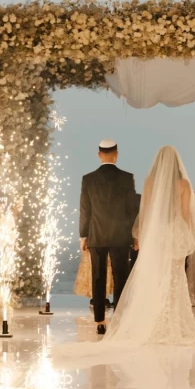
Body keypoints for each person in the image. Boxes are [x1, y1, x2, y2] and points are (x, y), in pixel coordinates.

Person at [101, 146, 195, 346]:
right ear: (177, 163)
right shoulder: (183, 184)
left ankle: (151, 321)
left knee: (155, 276)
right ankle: (172, 323)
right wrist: (189, 235)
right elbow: (185, 214)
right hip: (174, 233)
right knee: (174, 277)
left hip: (156, 234)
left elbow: (146, 211)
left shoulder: (149, 182)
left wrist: (141, 234)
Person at [79, 140, 139, 334]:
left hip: (96, 234)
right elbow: (132, 210)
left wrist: (83, 235)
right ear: (116, 154)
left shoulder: (88, 179)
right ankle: (119, 319)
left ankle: (99, 321)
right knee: (120, 277)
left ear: (99, 154)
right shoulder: (127, 178)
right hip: (120, 235)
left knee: (98, 277)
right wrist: (135, 234)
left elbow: (85, 210)